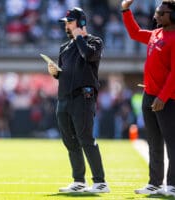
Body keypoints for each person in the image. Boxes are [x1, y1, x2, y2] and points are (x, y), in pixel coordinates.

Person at [47, 7, 110, 193]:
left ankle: (100, 182)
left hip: (83, 97)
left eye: (70, 22)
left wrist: (79, 37)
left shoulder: (94, 41)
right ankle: (79, 180)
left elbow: (88, 55)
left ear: (81, 23)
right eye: (65, 23)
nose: (66, 26)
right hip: (64, 98)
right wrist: (56, 74)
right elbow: (66, 73)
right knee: (70, 140)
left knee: (86, 138)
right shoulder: (64, 48)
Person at [121, 0, 175, 197]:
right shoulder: (156, 34)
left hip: (167, 100)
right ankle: (154, 183)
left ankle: (172, 185)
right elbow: (134, 33)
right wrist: (125, 10)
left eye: (161, 13)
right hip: (149, 95)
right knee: (154, 142)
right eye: (156, 12)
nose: (156, 16)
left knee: (172, 142)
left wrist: (163, 97)